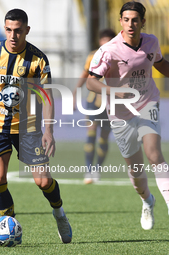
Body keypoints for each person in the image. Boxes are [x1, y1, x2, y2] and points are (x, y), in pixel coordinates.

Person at [0, 9, 72, 243]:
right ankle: (8, 224)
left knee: (44, 182)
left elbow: (47, 97)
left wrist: (48, 130)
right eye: (8, 30)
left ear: (27, 30)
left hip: (28, 129)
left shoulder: (38, 60)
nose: (13, 35)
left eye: (18, 31)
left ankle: (59, 212)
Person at [87, 1, 169, 230]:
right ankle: (147, 201)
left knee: (154, 154)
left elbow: (160, 65)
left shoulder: (151, 42)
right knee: (136, 170)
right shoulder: (109, 50)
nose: (131, 24)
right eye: (126, 19)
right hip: (120, 114)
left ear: (143, 22)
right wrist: (113, 91)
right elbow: (91, 82)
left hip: (147, 103)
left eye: (135, 20)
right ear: (120, 21)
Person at [73, 29, 116, 184]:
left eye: (109, 40)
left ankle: (97, 168)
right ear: (99, 42)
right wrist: (75, 94)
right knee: (90, 135)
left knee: (104, 138)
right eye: (103, 40)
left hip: (111, 103)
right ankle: (88, 170)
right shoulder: (93, 56)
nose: (105, 43)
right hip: (93, 101)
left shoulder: (119, 56)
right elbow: (85, 75)